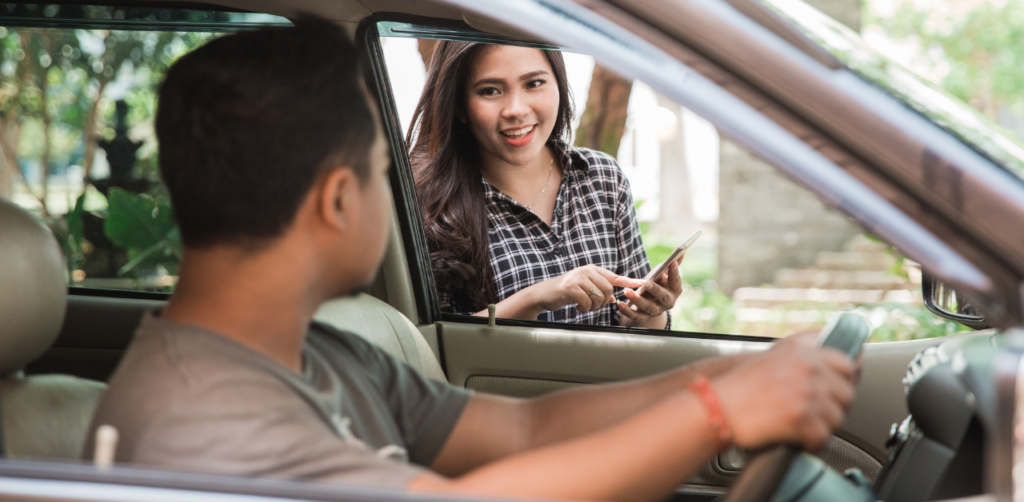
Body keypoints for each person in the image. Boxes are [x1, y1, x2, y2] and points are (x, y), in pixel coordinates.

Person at [85, 17, 859, 502]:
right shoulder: (204, 423)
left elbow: (525, 435)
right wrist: (720, 416)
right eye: (380, 166)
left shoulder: (323, 354)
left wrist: (719, 375)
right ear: (336, 201)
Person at [410, 41, 680, 328]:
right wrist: (536, 298)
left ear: (559, 87)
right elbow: (431, 344)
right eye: (490, 90)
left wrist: (652, 311)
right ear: (460, 106)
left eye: (534, 83)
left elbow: (633, 326)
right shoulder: (430, 203)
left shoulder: (602, 177)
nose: (515, 109)